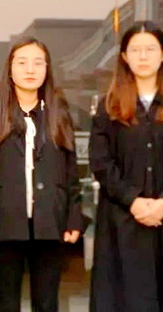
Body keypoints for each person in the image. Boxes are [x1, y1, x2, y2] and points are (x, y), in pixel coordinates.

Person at [0, 38, 82, 312]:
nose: (30, 69)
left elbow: (71, 173)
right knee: (6, 302)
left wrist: (73, 217)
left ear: (47, 69)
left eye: (37, 63)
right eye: (22, 62)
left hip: (50, 223)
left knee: (47, 302)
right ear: (10, 69)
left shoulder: (59, 114)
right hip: (4, 223)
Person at [89, 22, 163, 312]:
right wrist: (133, 200)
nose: (143, 56)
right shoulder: (109, 106)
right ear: (124, 56)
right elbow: (100, 162)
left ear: (162, 54)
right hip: (121, 220)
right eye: (135, 50)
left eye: (150, 49)